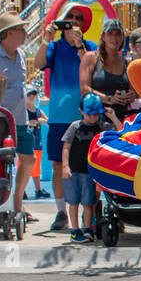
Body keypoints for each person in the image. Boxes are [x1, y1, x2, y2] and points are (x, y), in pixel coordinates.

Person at [35, 3, 96, 230]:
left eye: (79, 18)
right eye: (70, 18)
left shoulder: (90, 46)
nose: (74, 22)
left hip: (87, 115)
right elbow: (39, 63)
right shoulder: (55, 46)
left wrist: (80, 45)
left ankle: (90, 212)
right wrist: (46, 37)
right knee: (59, 164)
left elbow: (89, 68)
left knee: (91, 163)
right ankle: (61, 212)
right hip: (60, 117)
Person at [0, 14, 39, 226]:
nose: (25, 33)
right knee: (1, 163)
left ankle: (17, 202)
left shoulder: (20, 55)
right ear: (9, 33)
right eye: (21, 30)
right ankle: (2, 204)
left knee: (28, 158)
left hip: (20, 119)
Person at [61, 93, 109, 243]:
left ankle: (87, 228)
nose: (93, 118)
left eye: (96, 115)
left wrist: (112, 116)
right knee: (73, 202)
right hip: (74, 172)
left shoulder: (101, 127)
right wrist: (65, 166)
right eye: (89, 115)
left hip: (90, 173)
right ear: (81, 111)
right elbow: (66, 147)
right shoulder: (75, 127)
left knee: (89, 203)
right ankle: (75, 230)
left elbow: (121, 132)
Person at [90, 17, 135, 125]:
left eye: (118, 34)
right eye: (110, 33)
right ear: (103, 36)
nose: (114, 38)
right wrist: (109, 99)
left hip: (121, 119)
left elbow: (134, 92)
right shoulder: (91, 58)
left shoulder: (127, 63)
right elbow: (85, 90)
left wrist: (131, 96)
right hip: (96, 118)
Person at [25, 89, 50, 198]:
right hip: (26, 144)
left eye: (34, 94)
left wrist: (42, 121)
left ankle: (38, 189)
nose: (32, 96)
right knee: (24, 167)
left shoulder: (38, 111)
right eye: (29, 94)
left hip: (36, 143)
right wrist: (33, 122)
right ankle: (22, 190)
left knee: (36, 168)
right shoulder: (23, 111)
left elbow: (48, 121)